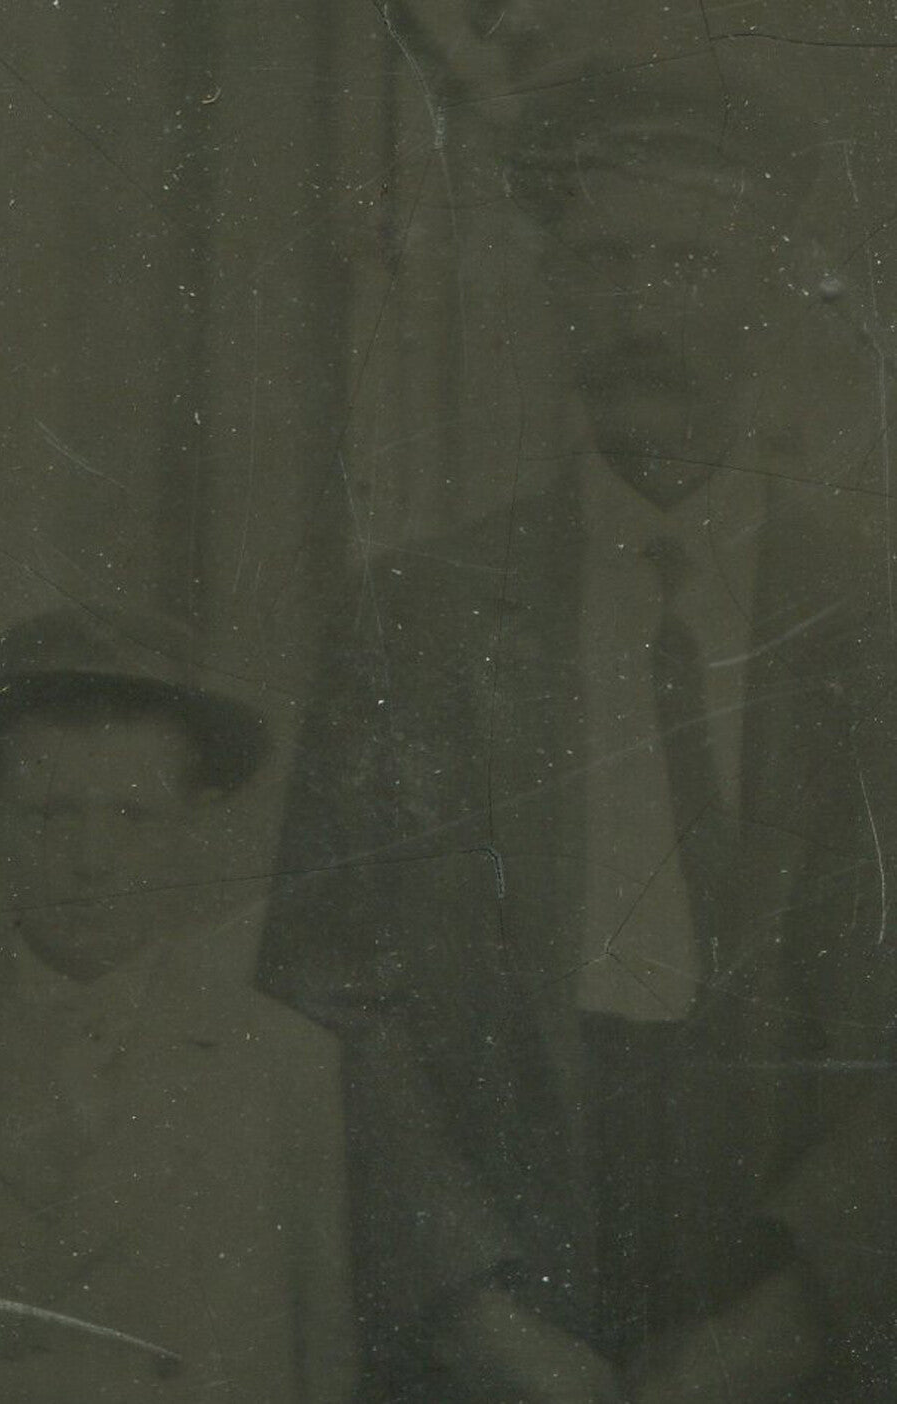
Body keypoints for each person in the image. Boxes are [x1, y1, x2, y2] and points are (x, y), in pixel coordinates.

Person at [262, 50, 897, 1404]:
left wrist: (787, 1325)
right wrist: (480, 1322)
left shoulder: (873, 621)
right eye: (600, 266)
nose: (636, 313)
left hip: (803, 1270)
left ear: (770, 294)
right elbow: (336, 1000)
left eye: (682, 264)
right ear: (551, 296)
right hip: (500, 1265)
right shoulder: (412, 625)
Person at [0, 610, 355, 1403]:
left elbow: (322, 1361)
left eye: (133, 816)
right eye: (51, 815)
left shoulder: (284, 1063)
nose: (92, 862)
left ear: (196, 824)